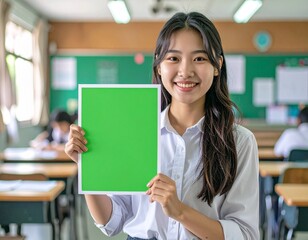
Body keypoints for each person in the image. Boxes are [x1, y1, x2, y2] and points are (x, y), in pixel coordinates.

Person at [65, 12, 259, 240]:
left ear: (217, 65)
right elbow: (112, 221)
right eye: (173, 58)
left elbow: (244, 234)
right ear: (158, 66)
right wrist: (89, 165)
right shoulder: (134, 132)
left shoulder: (239, 141)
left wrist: (180, 211)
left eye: (199, 58)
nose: (185, 71)